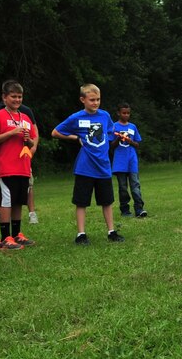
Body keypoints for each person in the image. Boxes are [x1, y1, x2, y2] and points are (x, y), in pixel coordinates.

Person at [52, 84, 125, 245]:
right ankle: (81, 234)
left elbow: (110, 132)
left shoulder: (105, 116)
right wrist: (75, 138)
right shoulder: (76, 117)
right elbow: (55, 132)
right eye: (92, 100)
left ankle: (111, 232)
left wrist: (117, 136)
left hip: (103, 166)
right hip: (85, 167)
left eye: (98, 99)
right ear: (82, 100)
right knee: (81, 201)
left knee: (107, 201)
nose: (95, 103)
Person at [0, 80, 38, 250]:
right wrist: (11, 133)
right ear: (4, 97)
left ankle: (17, 234)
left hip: (23, 166)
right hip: (7, 167)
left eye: (20, 97)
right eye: (13, 96)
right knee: (6, 201)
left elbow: (32, 142)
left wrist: (28, 139)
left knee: (18, 201)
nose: (17, 100)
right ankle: (4, 238)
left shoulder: (25, 118)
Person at [111, 103, 146, 218]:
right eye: (123, 113)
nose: (126, 115)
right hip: (120, 162)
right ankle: (125, 210)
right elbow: (111, 146)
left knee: (135, 185)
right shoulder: (114, 127)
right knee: (123, 187)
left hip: (132, 161)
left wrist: (131, 141)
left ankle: (139, 209)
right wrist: (118, 139)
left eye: (128, 113)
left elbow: (137, 144)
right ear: (118, 113)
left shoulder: (132, 127)